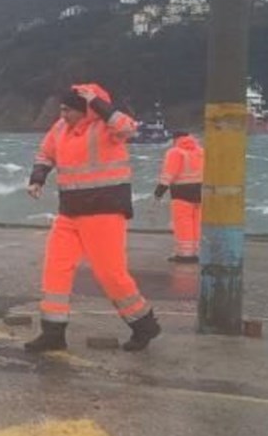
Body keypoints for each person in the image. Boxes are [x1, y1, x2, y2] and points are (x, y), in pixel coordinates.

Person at [25, 84, 161, 352]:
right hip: (70, 213)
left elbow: (128, 128)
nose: (62, 114)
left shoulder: (107, 126)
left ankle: (144, 324)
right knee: (55, 269)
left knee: (110, 274)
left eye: (67, 109)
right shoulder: (59, 129)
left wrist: (99, 104)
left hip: (104, 211)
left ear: (85, 110)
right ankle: (53, 332)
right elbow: (45, 153)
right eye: (61, 109)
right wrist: (37, 178)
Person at [155, 131, 204, 263]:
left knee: (183, 223)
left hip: (181, 193)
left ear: (175, 139)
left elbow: (168, 174)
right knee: (198, 223)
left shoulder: (175, 152)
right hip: (200, 192)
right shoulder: (200, 151)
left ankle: (185, 255)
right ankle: (198, 252)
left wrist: (159, 191)